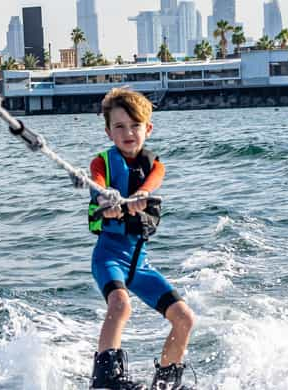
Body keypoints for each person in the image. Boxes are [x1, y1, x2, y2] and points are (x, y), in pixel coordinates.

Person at [88, 88, 195, 390]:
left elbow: (154, 180)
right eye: (119, 126)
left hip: (140, 264)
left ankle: (166, 381)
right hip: (109, 258)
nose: (128, 132)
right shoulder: (101, 163)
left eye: (135, 125)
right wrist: (107, 201)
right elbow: (96, 184)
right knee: (121, 305)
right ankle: (106, 379)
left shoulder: (154, 165)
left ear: (147, 128)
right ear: (108, 132)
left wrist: (140, 196)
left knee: (184, 318)